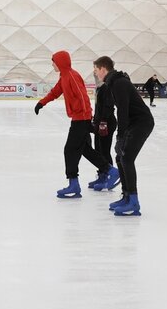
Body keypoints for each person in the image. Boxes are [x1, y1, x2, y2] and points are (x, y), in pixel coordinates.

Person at [34, 51, 110, 199]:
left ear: (60, 62)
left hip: (80, 118)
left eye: (54, 62)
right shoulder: (64, 76)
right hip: (79, 117)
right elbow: (55, 92)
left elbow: (83, 97)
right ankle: (109, 171)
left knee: (70, 150)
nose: (52, 64)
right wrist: (41, 102)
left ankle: (74, 184)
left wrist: (86, 117)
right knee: (84, 149)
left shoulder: (72, 76)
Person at [96, 56, 155, 216]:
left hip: (142, 122)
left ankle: (133, 202)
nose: (95, 73)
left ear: (103, 69)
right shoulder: (113, 83)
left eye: (96, 70)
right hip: (133, 123)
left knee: (126, 158)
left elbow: (122, 110)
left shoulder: (119, 83)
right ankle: (126, 196)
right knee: (120, 157)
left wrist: (120, 136)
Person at [86, 59, 121, 192]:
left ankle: (109, 175)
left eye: (96, 69)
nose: (94, 72)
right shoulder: (100, 87)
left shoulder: (106, 87)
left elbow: (108, 106)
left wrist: (103, 122)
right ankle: (102, 174)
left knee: (104, 150)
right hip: (100, 121)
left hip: (106, 122)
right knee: (98, 149)